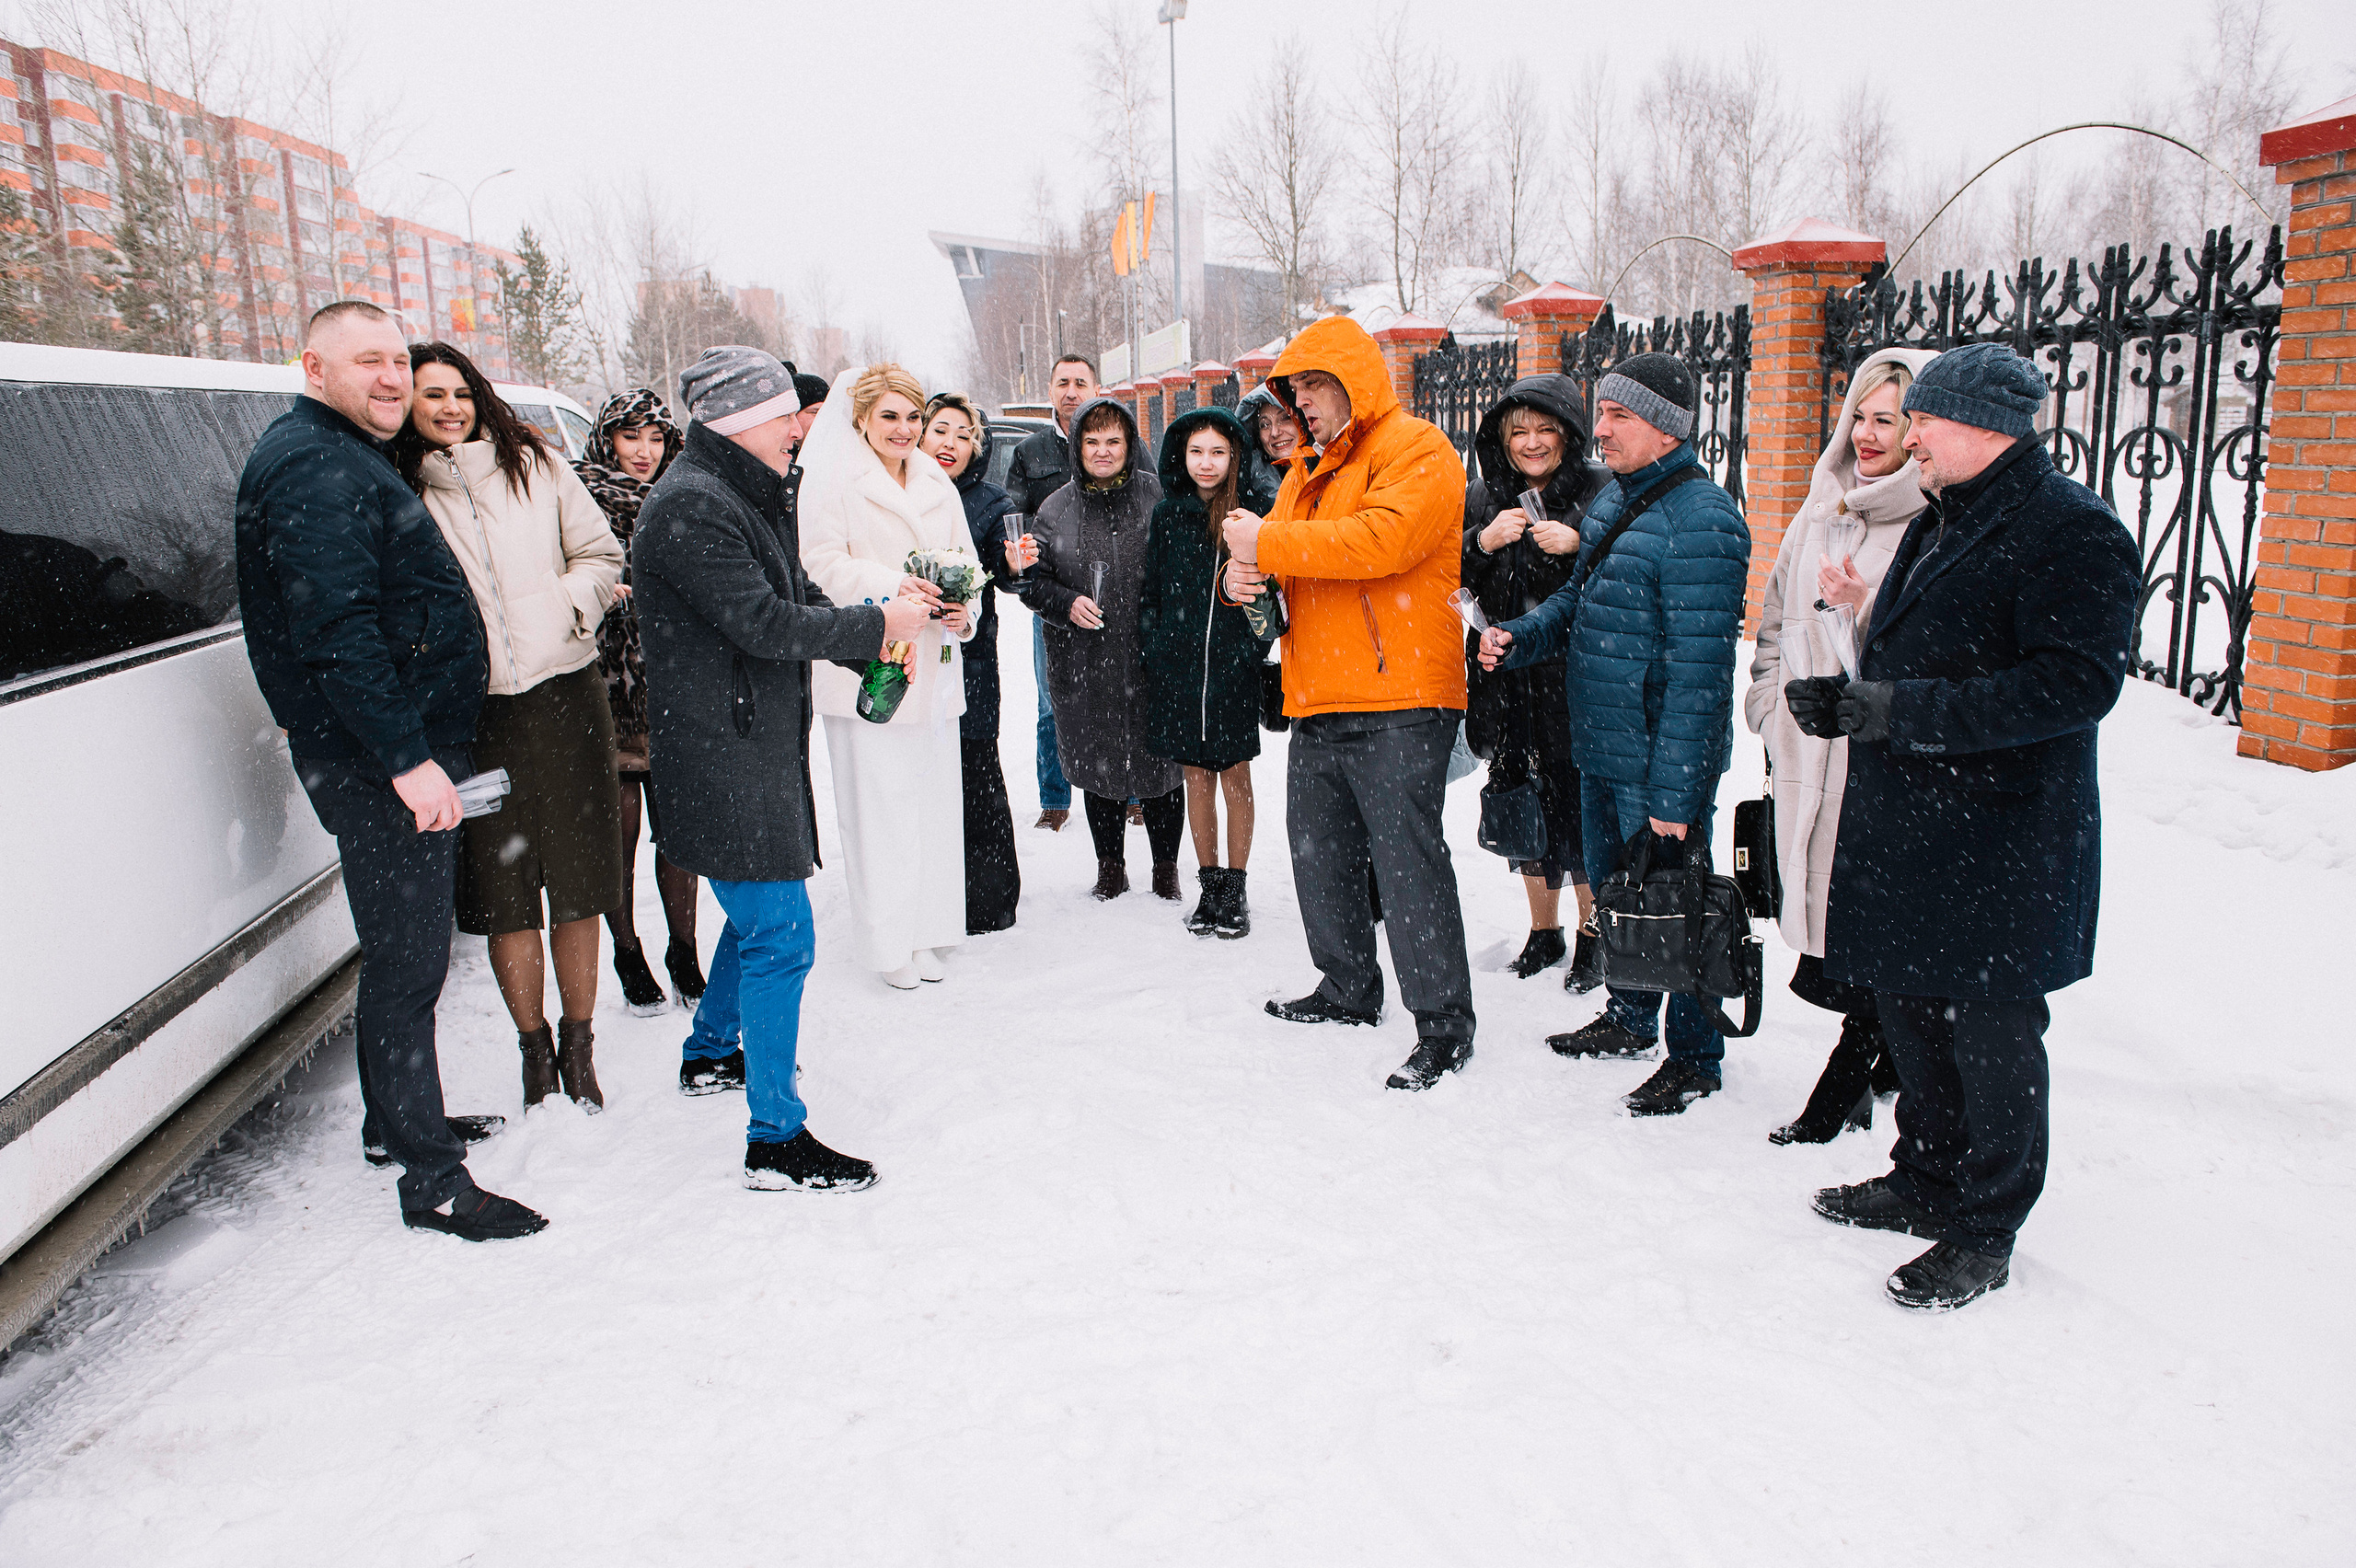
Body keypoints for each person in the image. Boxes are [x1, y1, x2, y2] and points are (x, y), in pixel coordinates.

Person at [1795, 343, 2139, 1310]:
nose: (1906, 439)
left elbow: (2072, 686)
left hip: (2004, 839)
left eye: (1923, 422)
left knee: (1989, 1035)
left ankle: (1984, 1225)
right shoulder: (1949, 512)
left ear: (1981, 426)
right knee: (1909, 1010)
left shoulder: (2071, 531)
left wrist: (1894, 711)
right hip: (1918, 829)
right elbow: (1940, 643)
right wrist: (1855, 688)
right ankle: (1924, 1176)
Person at [234, 301, 541, 1241]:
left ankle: (393, 1123)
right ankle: (433, 1182)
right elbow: (336, 634)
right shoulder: (316, 465)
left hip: (388, 750)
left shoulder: (339, 454)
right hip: (380, 760)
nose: (390, 379)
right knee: (408, 962)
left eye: (397, 363)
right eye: (366, 361)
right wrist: (409, 762)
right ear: (312, 367)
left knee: (408, 953)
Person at [633, 344, 935, 1190]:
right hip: (721, 752)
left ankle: (709, 1053)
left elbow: (795, 594)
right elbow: (763, 624)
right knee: (781, 934)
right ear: (740, 420)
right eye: (784, 415)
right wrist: (875, 629)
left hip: (748, 743)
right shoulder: (693, 506)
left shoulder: (738, 491)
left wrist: (867, 632)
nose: (801, 428)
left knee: (755, 911)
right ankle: (774, 1138)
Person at [1478, 352, 1750, 1116]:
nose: (1599, 430)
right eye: (1601, 414)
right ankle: (1631, 1019)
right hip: (1599, 744)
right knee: (1623, 896)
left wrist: (1675, 794)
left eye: (1617, 416)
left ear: (1665, 426)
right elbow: (1579, 606)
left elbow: (1701, 676)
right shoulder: (1617, 503)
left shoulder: (1703, 520)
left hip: (1660, 760)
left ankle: (1694, 1056)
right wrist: (1521, 635)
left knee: (1677, 899)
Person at [1219, 316, 1474, 1092]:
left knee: (1407, 865)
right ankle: (1347, 987)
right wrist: (1243, 582)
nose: (1303, 405)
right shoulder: (1305, 470)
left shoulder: (1417, 449)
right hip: (1319, 694)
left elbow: (1379, 542)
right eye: (1294, 392)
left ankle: (1442, 1023)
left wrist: (1265, 545)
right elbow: (1293, 565)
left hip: (1402, 694)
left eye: (1314, 387)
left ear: (1354, 383)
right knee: (1318, 854)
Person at [393, 342, 626, 1113]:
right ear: (408, 407)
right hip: (475, 716)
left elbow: (598, 553)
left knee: (581, 879)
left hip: (565, 699)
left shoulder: (537, 466)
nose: (450, 408)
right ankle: (533, 1053)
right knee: (504, 890)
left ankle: (579, 1042)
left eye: (460, 392)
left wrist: (566, 609)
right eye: (431, 396)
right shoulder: (398, 489)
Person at [1745, 349, 1936, 1144]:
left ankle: (1847, 1082)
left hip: (1884, 767)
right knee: (1826, 931)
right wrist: (1767, 706)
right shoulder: (1820, 506)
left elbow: (1925, 652)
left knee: (1871, 930)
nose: (1864, 432)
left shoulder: (1933, 522)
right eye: (1859, 413)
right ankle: (1878, 1063)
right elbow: (1769, 628)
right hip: (1803, 758)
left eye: (1885, 419)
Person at [798, 363, 976, 988]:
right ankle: (887, 940)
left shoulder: (937, 482)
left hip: (934, 663)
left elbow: (967, 564)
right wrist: (889, 588)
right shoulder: (834, 482)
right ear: (862, 420)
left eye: (912, 417)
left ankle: (927, 931)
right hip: (868, 663)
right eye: (889, 417)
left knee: (929, 806)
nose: (904, 430)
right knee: (879, 810)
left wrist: (963, 609)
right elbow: (818, 562)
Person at [1459, 375, 1607, 982]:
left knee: (1579, 805)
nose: (1533, 442)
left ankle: (1593, 934)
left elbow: (1622, 567)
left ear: (1569, 433)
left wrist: (1581, 542)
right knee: (1519, 796)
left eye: (1546, 429)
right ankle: (1542, 931)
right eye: (1518, 432)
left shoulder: (1599, 490)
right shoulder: (1484, 495)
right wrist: (1482, 541)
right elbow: (1449, 573)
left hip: (1573, 678)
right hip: (1504, 678)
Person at [1015, 397, 1181, 900]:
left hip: (1152, 656)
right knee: (1096, 762)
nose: (1103, 451)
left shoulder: (1158, 496)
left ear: (1130, 445)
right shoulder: (1055, 507)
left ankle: (1165, 868)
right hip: (1082, 659)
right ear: (1077, 447)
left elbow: (1186, 565)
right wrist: (1064, 604)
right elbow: (1032, 581)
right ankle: (1110, 866)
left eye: (1114, 441)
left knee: (1161, 767)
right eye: (1092, 441)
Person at [574, 387, 700, 1016]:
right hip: (605, 689)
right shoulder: (577, 498)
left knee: (679, 833)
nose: (645, 452)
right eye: (631, 438)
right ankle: (627, 951)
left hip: (673, 690)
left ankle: (684, 949)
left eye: (655, 438)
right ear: (607, 440)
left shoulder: (683, 496)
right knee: (616, 833)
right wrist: (602, 591)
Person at [1140, 405, 1276, 938]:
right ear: (1181, 453)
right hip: (1179, 673)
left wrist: (1248, 648)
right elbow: (1151, 591)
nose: (1206, 462)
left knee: (1235, 774)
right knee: (1195, 777)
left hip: (1232, 669)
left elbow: (1272, 596)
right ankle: (1210, 886)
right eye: (1196, 451)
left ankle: (1236, 886)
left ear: (1235, 455)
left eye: (1218, 451)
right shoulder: (1168, 514)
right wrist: (1158, 646)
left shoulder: (1252, 513)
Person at [920, 391, 1022, 935]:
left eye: (964, 435)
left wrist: (1011, 566)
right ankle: (930, 896)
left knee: (977, 770)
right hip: (909, 655)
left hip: (973, 658)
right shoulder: (904, 493)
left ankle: (989, 899)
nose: (951, 443)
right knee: (923, 774)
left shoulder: (990, 502)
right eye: (941, 430)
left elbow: (1009, 579)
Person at [1005, 353, 1100, 831]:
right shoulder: (1031, 452)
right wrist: (1031, 574)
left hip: (1113, 590)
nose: (1071, 391)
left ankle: (1126, 791)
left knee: (1119, 692)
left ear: (1096, 388)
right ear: (1050, 390)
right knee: (1052, 699)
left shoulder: (1117, 441)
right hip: (1052, 595)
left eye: (1080, 382)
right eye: (1062, 381)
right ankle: (1055, 798)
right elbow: (1015, 521)